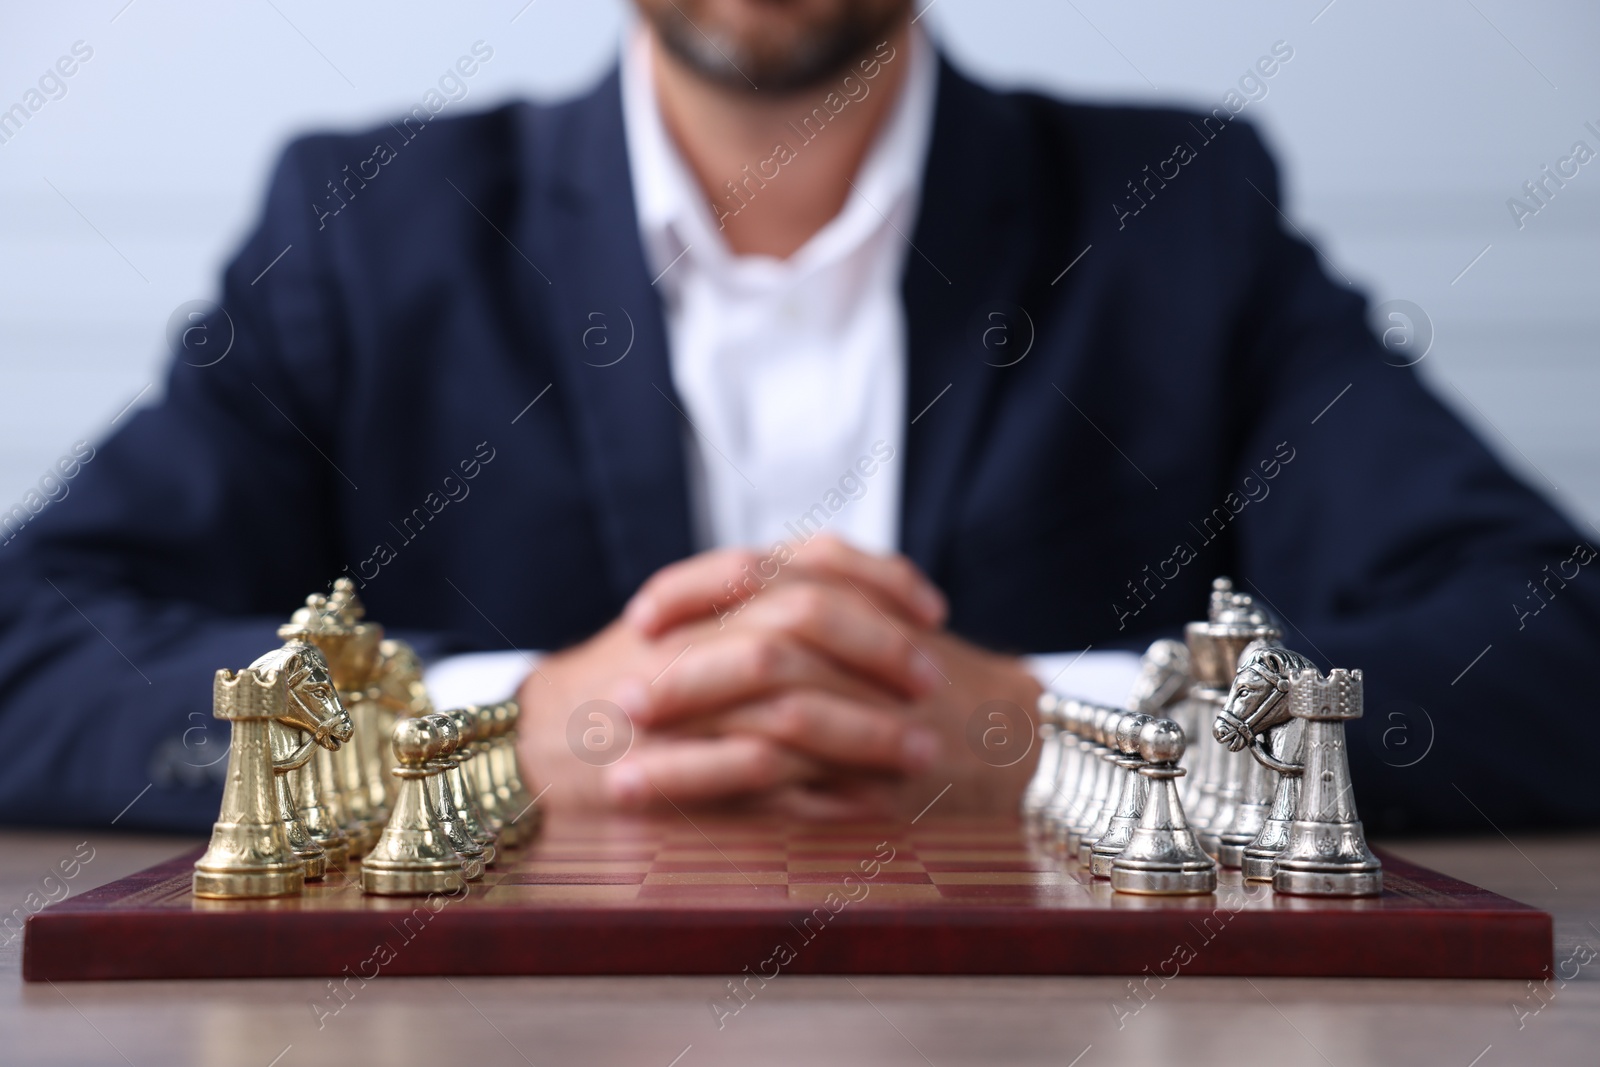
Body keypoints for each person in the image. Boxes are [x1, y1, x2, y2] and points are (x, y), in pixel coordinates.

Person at [0, 0, 1594, 835]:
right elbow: (31, 649)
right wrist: (487, 730)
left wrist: (1059, 734)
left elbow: (1557, 654)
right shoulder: (370, 226)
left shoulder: (1178, 216)